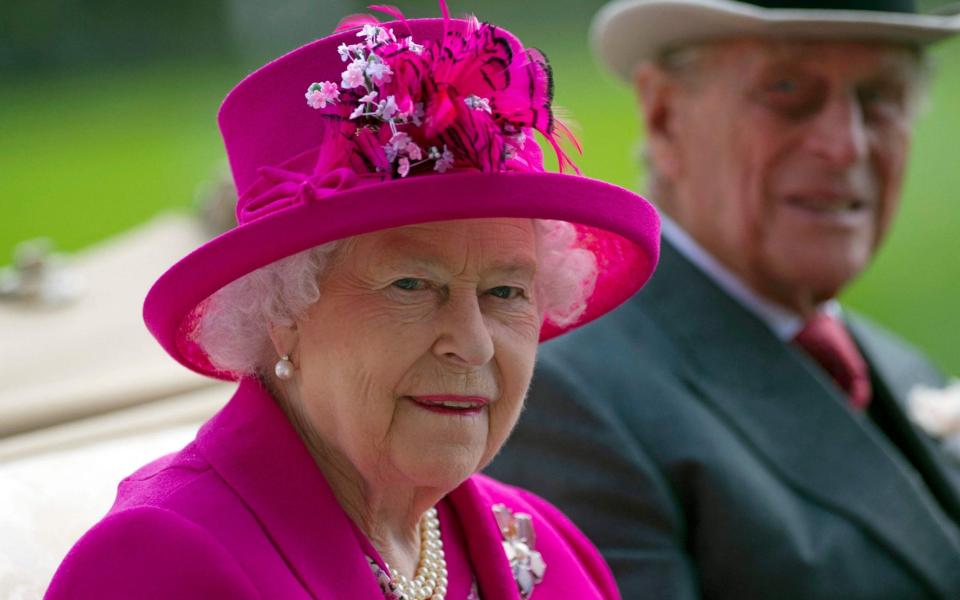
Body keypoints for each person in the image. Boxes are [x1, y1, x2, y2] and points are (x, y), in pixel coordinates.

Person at [43, 4, 662, 599]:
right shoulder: (159, 561)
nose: (472, 342)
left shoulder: (544, 544)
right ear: (283, 310)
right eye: (413, 286)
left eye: (506, 292)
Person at [488, 1, 960, 598]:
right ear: (664, 118)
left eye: (880, 97)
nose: (846, 145)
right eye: (787, 90)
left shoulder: (898, 367)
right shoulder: (570, 401)